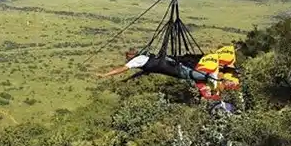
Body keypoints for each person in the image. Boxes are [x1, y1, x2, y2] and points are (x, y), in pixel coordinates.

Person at [97, 48, 226, 99]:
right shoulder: (144, 58)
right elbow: (144, 72)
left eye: (127, 57)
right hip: (171, 64)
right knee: (187, 71)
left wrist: (105, 75)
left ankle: (211, 76)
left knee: (187, 74)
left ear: (131, 56)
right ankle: (211, 75)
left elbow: (122, 69)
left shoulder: (136, 60)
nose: (127, 60)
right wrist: (127, 80)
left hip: (174, 68)